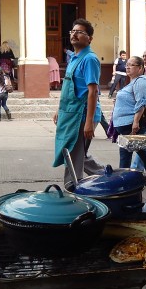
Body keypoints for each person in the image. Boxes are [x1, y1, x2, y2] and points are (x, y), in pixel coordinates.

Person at [53, 18, 105, 187]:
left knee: (73, 157)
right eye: (72, 31)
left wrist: (89, 122)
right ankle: (106, 176)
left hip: (82, 115)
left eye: (80, 32)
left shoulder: (89, 59)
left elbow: (93, 91)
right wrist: (59, 110)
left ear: (89, 38)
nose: (74, 34)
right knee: (75, 153)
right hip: (70, 113)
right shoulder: (74, 58)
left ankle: (72, 191)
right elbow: (68, 89)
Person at [112, 55, 146, 185]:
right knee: (141, 150)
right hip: (125, 123)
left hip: (131, 123)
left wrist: (136, 122)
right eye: (127, 64)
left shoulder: (141, 82)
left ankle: (123, 178)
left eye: (131, 65)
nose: (127, 67)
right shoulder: (133, 82)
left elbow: (141, 103)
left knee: (127, 152)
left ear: (140, 68)